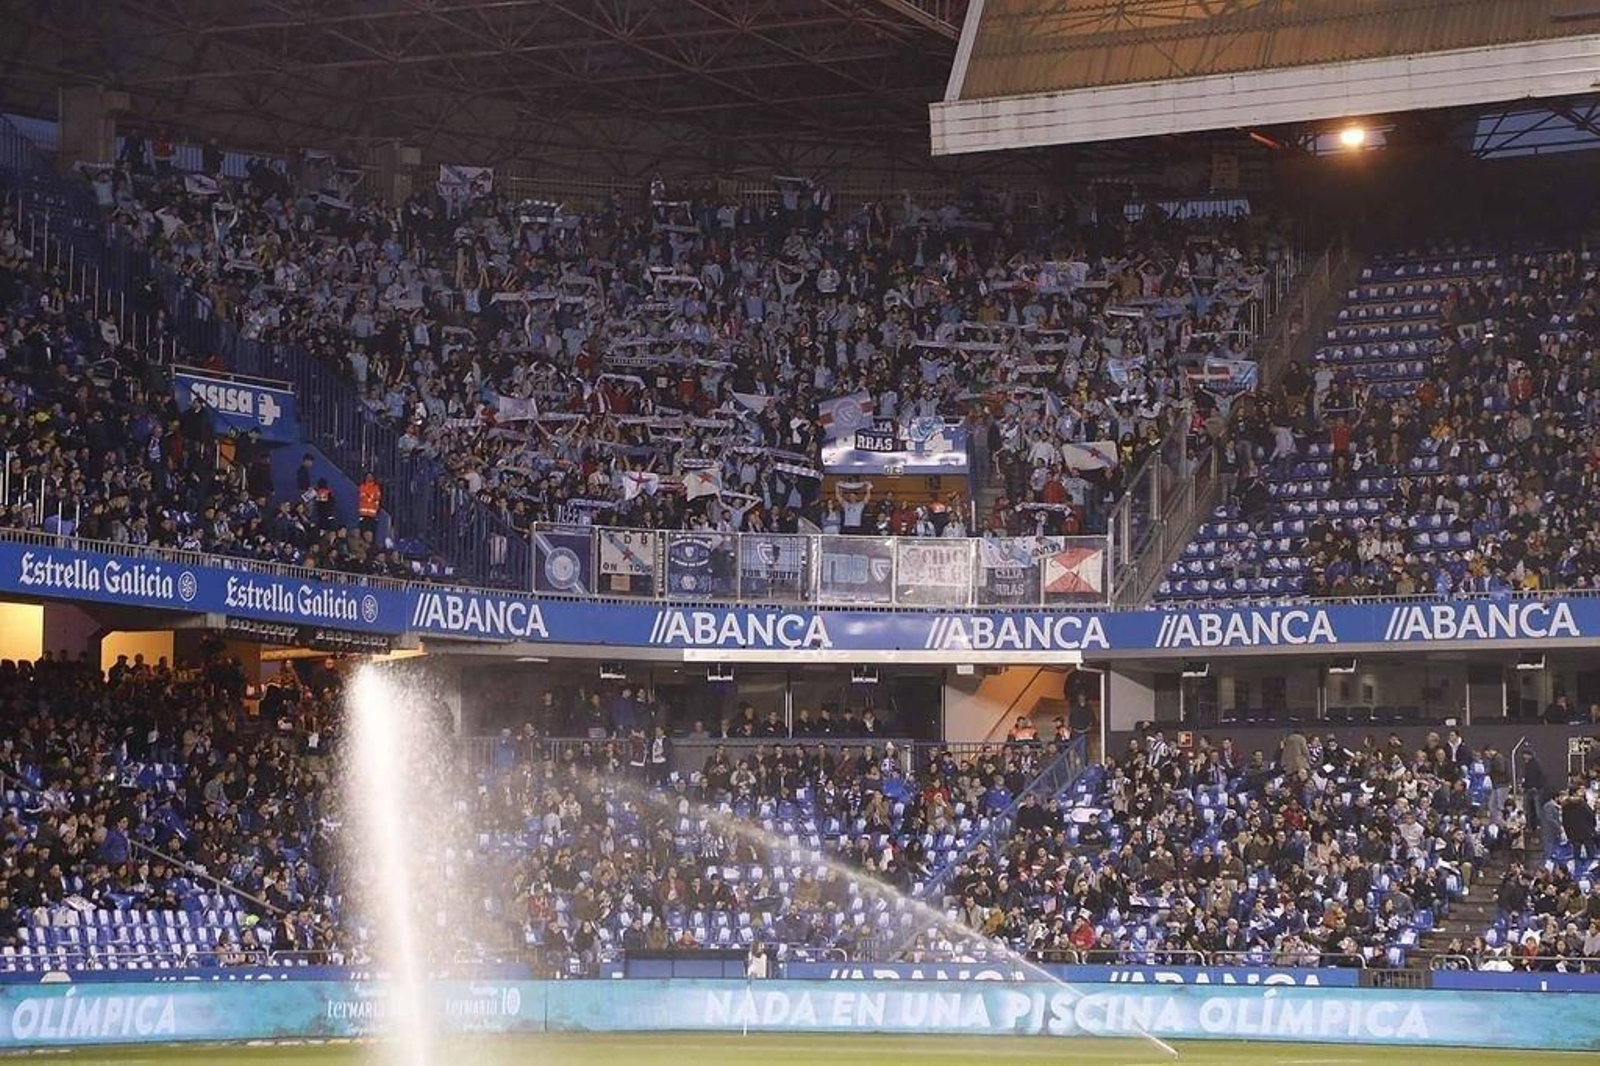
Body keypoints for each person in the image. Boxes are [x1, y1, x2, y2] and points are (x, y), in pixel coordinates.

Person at [357, 471, 382, 536]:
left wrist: (376, 508)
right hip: (363, 513)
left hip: (372, 514)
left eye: (371, 476)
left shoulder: (376, 487)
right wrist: (371, 499)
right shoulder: (362, 486)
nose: (369, 478)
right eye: (368, 476)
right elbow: (362, 496)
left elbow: (377, 498)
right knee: (362, 530)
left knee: (371, 531)